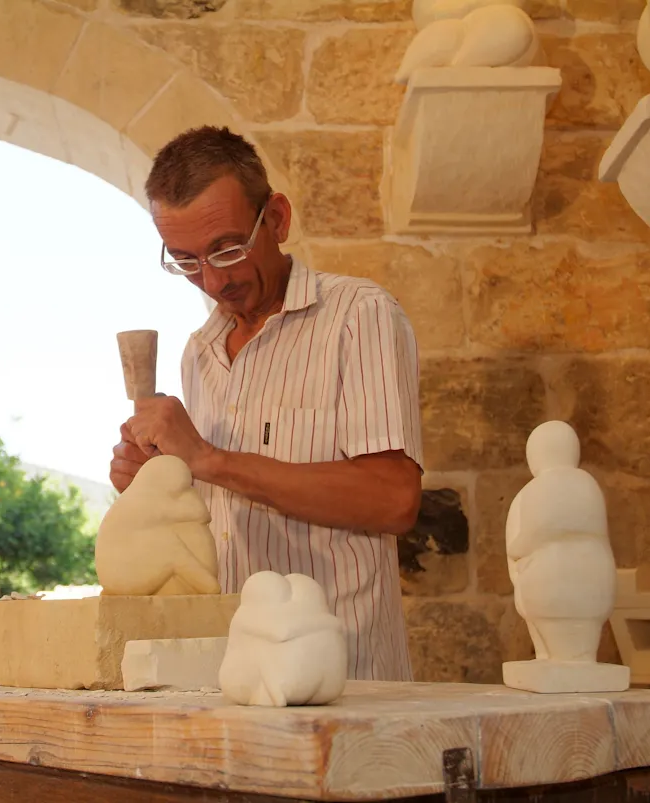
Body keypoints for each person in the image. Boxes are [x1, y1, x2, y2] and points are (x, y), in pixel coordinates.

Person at [109, 126, 424, 681]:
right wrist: (157, 482)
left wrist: (207, 459)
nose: (213, 279)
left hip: (344, 679)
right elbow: (219, 515)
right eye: (185, 260)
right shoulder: (199, 355)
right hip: (232, 672)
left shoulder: (357, 316)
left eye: (227, 247)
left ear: (276, 218)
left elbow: (393, 499)